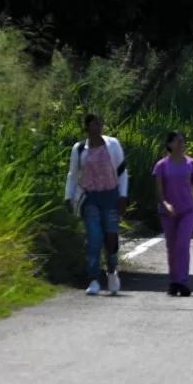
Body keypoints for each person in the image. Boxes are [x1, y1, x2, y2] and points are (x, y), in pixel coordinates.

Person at [64, 113, 129, 295]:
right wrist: (68, 198)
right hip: (90, 197)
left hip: (111, 196)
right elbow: (73, 174)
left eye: (100, 123)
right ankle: (93, 279)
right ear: (87, 127)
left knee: (111, 237)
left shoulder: (113, 145)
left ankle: (111, 271)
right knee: (94, 237)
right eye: (93, 124)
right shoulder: (79, 149)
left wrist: (123, 197)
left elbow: (122, 172)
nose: (98, 127)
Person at [154, 130, 193, 297]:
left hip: (187, 211)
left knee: (183, 245)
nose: (181, 144)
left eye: (183, 141)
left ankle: (183, 282)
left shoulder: (191, 164)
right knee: (172, 247)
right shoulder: (161, 165)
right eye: (178, 141)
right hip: (168, 213)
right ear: (169, 144)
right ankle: (174, 282)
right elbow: (159, 191)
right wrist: (166, 204)